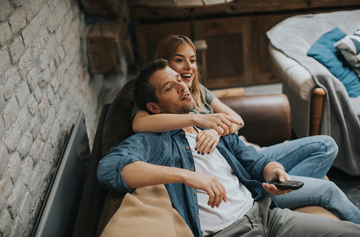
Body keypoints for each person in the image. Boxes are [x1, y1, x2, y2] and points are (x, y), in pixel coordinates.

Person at [97, 59, 360, 237]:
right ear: (154, 108)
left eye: (180, 79)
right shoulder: (157, 140)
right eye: (169, 87)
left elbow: (256, 162)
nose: (182, 85)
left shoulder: (211, 126)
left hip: (267, 215)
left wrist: (275, 172)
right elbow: (109, 169)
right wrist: (188, 176)